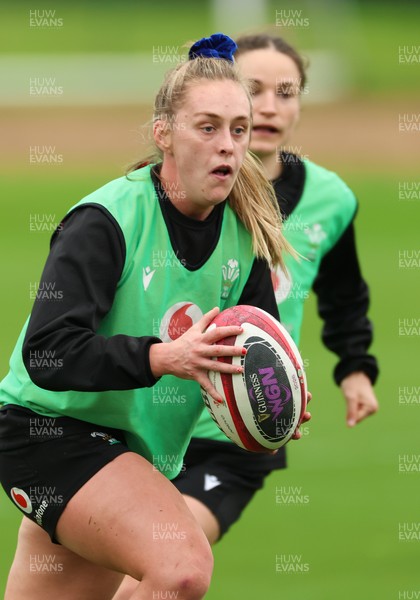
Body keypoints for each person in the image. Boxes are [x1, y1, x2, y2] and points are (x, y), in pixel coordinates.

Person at [0, 34, 307, 600]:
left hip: (133, 450)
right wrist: (163, 357)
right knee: (183, 568)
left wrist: (280, 399)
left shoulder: (247, 238)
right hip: (50, 435)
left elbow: (250, 355)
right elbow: (47, 353)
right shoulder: (107, 220)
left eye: (238, 130)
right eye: (207, 127)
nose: (227, 146)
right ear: (163, 132)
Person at [107, 32, 380, 600]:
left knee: (163, 573)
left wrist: (356, 366)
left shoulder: (331, 197)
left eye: (288, 91)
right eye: (256, 91)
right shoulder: (173, 198)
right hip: (148, 417)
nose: (272, 106)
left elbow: (344, 293)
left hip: (240, 429)